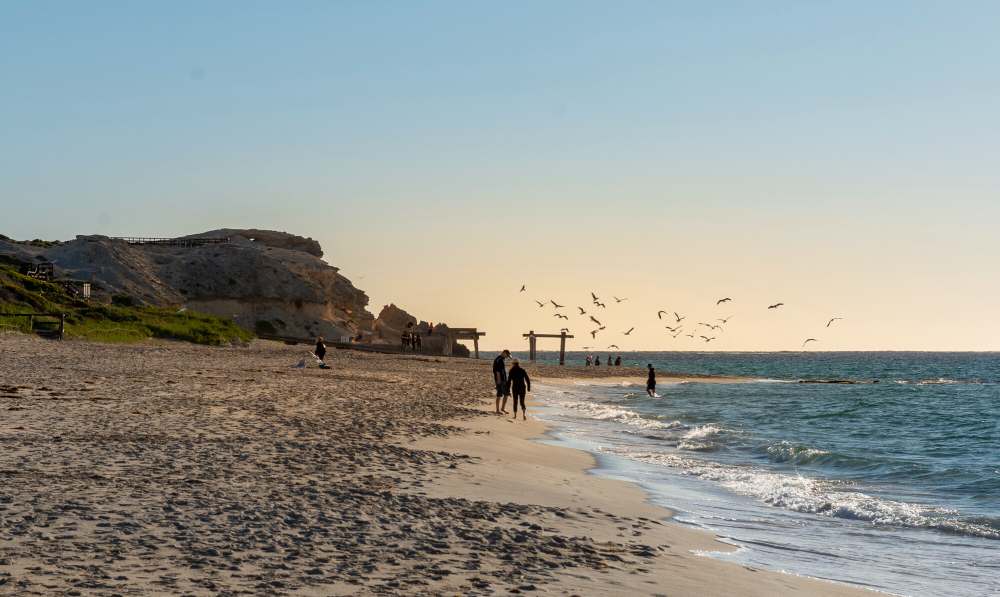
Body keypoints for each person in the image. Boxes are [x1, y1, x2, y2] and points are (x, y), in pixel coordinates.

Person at [493, 349, 511, 414]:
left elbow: (502, 371)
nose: (507, 357)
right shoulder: (499, 360)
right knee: (501, 394)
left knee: (504, 394)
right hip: (501, 380)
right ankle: (498, 410)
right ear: (504, 353)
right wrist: (498, 380)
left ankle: (502, 409)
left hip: (503, 379)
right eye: (507, 355)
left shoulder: (501, 359)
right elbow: (497, 371)